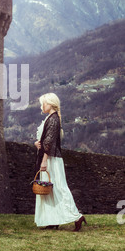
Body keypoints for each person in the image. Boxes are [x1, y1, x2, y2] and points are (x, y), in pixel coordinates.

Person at [34, 93, 87, 231]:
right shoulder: (51, 118)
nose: (42, 106)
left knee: (58, 188)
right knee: (50, 191)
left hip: (51, 159)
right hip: (49, 157)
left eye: (44, 103)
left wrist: (44, 161)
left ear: (50, 103)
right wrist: (38, 143)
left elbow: (50, 142)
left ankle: (77, 216)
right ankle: (53, 219)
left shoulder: (53, 119)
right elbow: (46, 140)